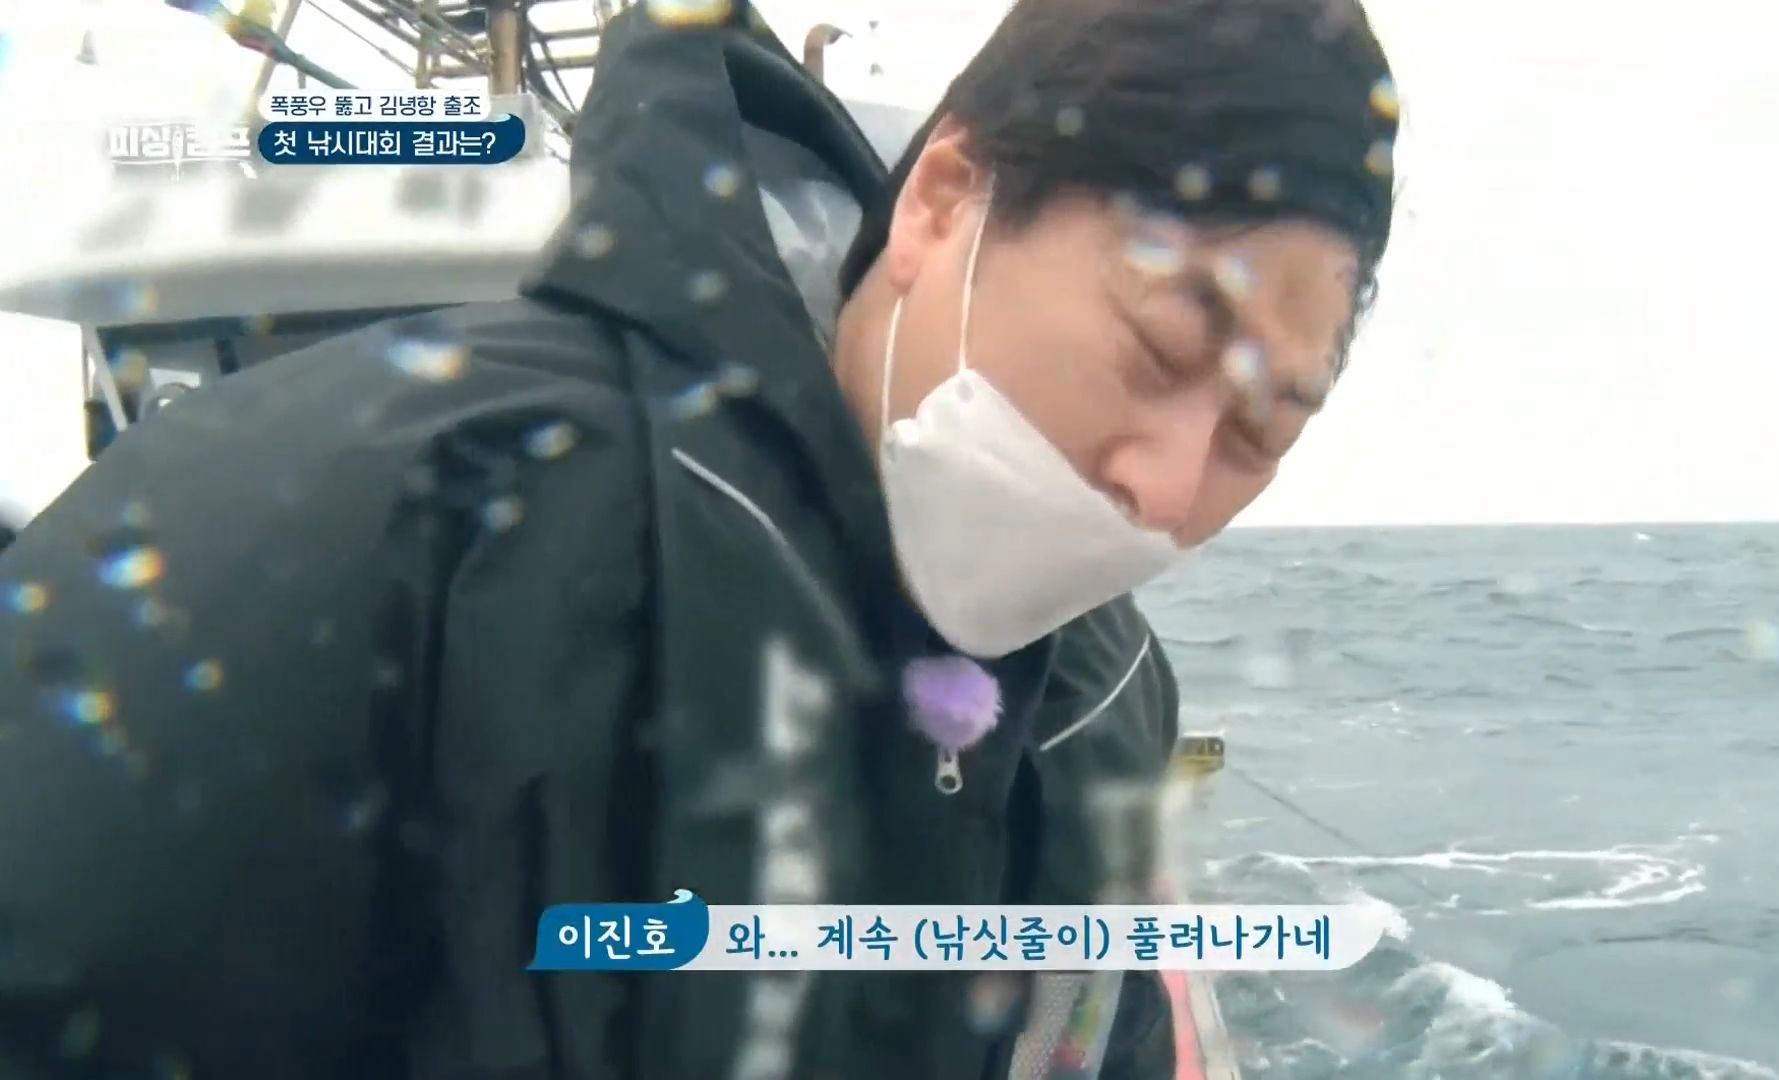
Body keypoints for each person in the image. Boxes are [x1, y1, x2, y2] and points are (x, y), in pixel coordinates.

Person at [0, 0, 1396, 1076]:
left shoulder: (1106, 701)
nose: (1169, 488)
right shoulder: (347, 525)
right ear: (944, 200)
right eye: (1160, 348)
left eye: (1257, 433)